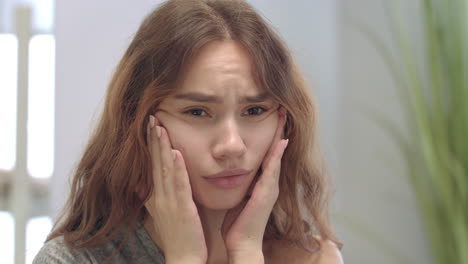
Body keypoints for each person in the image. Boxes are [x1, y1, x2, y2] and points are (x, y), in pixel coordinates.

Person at [34, 0, 343, 263]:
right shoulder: (71, 260)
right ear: (139, 121)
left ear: (284, 121)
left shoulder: (313, 259)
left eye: (254, 111)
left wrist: (247, 252)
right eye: (197, 112)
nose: (232, 145)